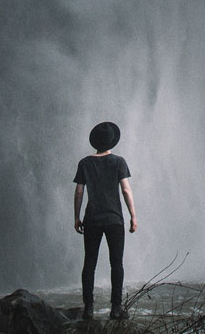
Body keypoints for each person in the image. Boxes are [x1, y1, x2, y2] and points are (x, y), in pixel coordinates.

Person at [73, 121, 137, 320]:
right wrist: (133, 216)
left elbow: (79, 191)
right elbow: (126, 190)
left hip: (92, 219)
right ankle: (116, 309)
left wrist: (77, 217)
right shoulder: (119, 161)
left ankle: (88, 309)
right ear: (111, 141)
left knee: (89, 263)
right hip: (114, 219)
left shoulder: (85, 162)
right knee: (116, 264)